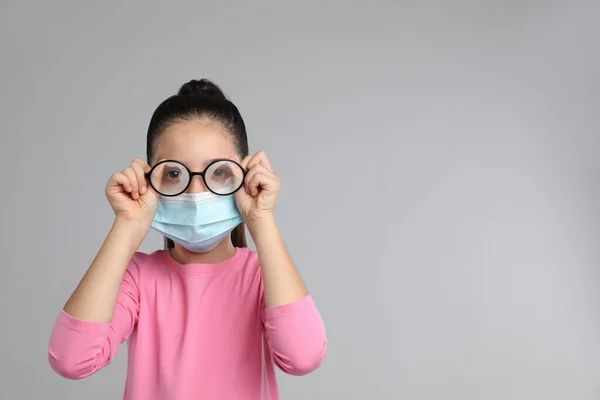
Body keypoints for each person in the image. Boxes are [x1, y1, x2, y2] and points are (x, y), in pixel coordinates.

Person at [47, 79, 327, 399]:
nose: (196, 193)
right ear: (151, 180)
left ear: (245, 177)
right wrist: (128, 223)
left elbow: (303, 358)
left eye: (218, 172)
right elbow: (71, 360)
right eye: (174, 173)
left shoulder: (264, 276)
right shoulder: (138, 279)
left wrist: (261, 220)